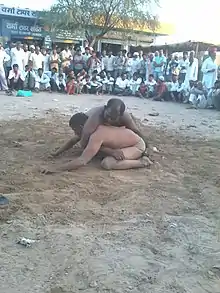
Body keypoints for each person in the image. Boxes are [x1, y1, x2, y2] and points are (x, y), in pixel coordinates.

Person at [42, 113, 152, 174]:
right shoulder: (91, 127)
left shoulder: (96, 134)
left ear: (81, 127)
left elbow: (82, 160)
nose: (75, 133)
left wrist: (57, 169)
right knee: (97, 150)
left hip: (136, 145)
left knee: (107, 163)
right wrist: (57, 153)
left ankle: (142, 162)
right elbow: (73, 140)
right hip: (125, 142)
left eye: (75, 130)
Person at [80, 98, 148, 150]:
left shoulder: (125, 117)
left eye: (113, 118)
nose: (109, 119)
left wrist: (147, 146)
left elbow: (136, 131)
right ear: (105, 108)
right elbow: (86, 133)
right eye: (108, 115)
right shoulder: (97, 115)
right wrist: (84, 147)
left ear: (120, 115)